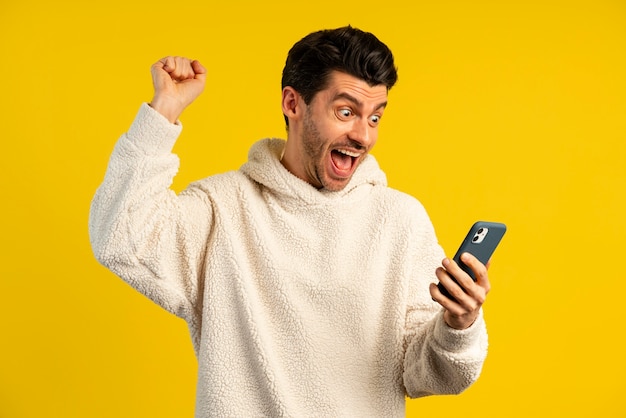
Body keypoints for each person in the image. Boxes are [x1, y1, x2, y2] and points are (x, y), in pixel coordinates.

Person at [89, 26, 491, 417]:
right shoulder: (223, 208)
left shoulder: (399, 220)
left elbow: (432, 374)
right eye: (347, 111)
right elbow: (120, 237)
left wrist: (459, 325)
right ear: (293, 103)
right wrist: (164, 113)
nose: (363, 136)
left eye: (374, 117)